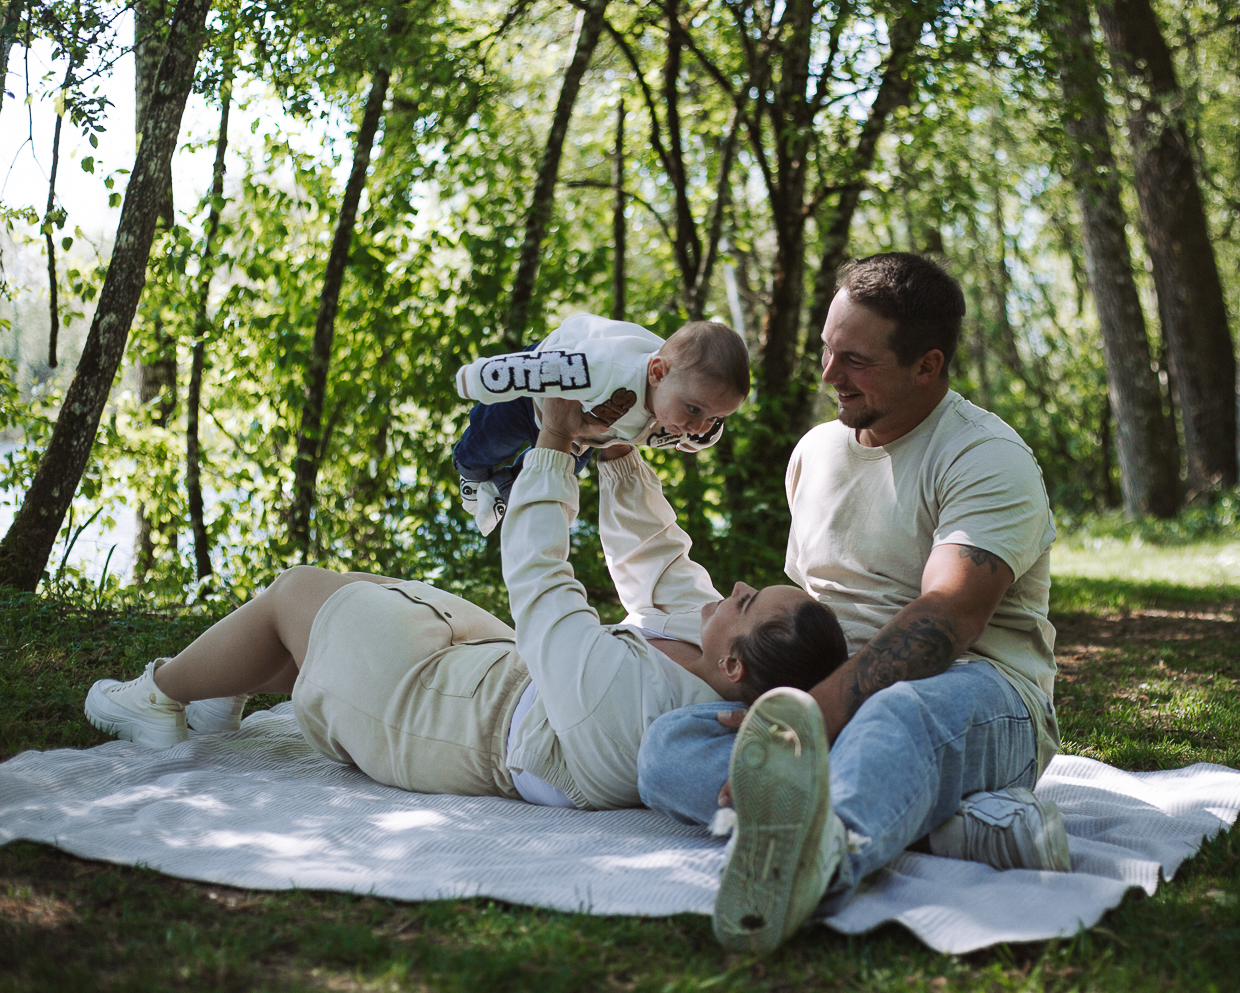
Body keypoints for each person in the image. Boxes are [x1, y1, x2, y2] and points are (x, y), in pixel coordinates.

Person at [84, 399, 846, 812]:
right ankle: (220, 690)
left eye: (746, 601)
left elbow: (542, 581)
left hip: (447, 726)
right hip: (497, 672)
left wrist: (553, 447)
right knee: (347, 599)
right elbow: (657, 561)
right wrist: (618, 452)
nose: (732, 589)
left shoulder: (634, 701)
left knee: (298, 592)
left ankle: (156, 696)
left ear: (735, 664)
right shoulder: (708, 662)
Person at [635, 253, 1069, 950]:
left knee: (895, 716)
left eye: (856, 361)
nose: (829, 374)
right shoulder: (814, 453)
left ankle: (807, 867)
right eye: (827, 350)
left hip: (977, 692)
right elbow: (807, 610)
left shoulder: (985, 457)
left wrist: (819, 712)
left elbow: (949, 616)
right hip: (834, 692)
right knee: (671, 745)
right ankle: (946, 827)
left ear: (927, 366)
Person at [454, 314, 749, 533]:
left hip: (582, 436)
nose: (698, 426)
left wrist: (702, 432)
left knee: (560, 474)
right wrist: (477, 379)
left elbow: (706, 434)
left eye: (715, 417)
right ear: (658, 373)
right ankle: (470, 469)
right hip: (537, 391)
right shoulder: (608, 369)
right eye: (694, 410)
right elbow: (531, 371)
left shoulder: (688, 419)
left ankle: (501, 490)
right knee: (491, 437)